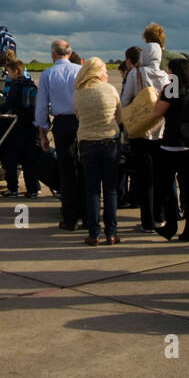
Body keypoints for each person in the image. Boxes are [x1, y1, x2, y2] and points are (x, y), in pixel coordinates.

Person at [121, 24, 171, 233]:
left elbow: (125, 101)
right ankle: (160, 216)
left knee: (144, 178)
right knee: (160, 177)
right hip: (160, 131)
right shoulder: (167, 77)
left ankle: (147, 221)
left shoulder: (136, 74)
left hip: (140, 132)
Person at [150, 56, 189, 242]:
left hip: (171, 144)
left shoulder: (171, 89)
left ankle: (171, 225)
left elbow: (157, 112)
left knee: (167, 188)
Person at [74, 57, 123, 246]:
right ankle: (112, 233)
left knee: (92, 190)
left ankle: (94, 233)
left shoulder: (79, 92)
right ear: (97, 72)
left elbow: (77, 115)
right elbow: (120, 117)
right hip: (110, 141)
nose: (106, 74)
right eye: (104, 71)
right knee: (110, 190)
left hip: (87, 142)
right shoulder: (110, 89)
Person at [35, 39, 82, 231]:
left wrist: (43, 133)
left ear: (53, 55)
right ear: (69, 53)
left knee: (67, 170)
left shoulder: (48, 74)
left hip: (62, 123)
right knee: (83, 169)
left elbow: (41, 106)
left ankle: (70, 218)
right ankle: (88, 215)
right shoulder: (80, 71)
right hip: (82, 121)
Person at [0, 59, 40, 198]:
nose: (8, 75)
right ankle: (33, 189)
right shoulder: (31, 84)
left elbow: (8, 104)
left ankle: (12, 188)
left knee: (11, 158)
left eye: (9, 71)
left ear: (16, 71)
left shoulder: (16, 85)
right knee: (29, 160)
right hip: (32, 126)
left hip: (17, 127)